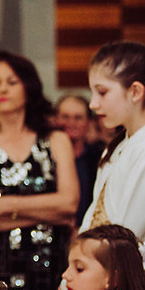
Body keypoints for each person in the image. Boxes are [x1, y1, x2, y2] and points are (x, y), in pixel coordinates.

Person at [0, 51, 78, 290]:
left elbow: (69, 204)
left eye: (11, 82)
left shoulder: (55, 140)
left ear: (28, 86)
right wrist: (47, 213)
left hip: (49, 264)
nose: (2, 89)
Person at [80, 41, 145, 290]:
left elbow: (126, 235)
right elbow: (94, 215)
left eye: (102, 92)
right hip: (104, 275)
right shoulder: (119, 146)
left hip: (139, 284)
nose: (93, 103)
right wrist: (76, 268)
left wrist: (86, 272)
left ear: (135, 91)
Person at [55, 92, 102, 224]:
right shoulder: (44, 158)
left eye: (78, 118)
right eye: (65, 117)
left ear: (89, 122)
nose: (71, 123)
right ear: (55, 119)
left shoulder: (100, 158)